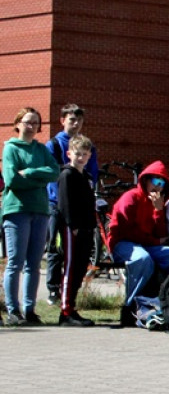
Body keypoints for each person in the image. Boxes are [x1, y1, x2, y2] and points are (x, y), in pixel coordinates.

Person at [108, 160, 169, 326]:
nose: (157, 187)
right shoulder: (131, 198)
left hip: (148, 244)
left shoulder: (159, 202)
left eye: (161, 183)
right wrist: (154, 241)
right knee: (142, 259)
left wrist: (158, 211)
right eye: (154, 181)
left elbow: (161, 234)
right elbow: (126, 230)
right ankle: (131, 307)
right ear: (145, 181)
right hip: (123, 243)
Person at [3, 107, 60, 325]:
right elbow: (11, 179)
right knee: (15, 262)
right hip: (17, 210)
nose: (31, 126)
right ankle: (13, 310)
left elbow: (54, 172)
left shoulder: (41, 149)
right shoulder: (11, 148)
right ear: (17, 124)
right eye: (27, 122)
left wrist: (29, 173)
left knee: (34, 264)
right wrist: (39, 179)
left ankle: (29, 310)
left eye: (35, 123)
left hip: (40, 210)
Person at [44, 104, 99, 306]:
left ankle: (69, 295)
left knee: (78, 256)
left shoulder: (87, 145)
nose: (75, 124)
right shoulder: (54, 144)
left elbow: (93, 173)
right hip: (57, 204)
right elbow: (52, 174)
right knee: (56, 248)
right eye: (71, 120)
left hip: (81, 209)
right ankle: (53, 289)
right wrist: (59, 199)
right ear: (62, 121)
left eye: (79, 120)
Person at [55, 135, 97, 327]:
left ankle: (72, 306)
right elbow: (65, 204)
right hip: (72, 228)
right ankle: (65, 312)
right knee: (71, 268)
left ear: (89, 156)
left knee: (80, 268)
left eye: (84, 154)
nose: (81, 158)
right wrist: (73, 226)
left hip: (87, 228)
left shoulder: (86, 177)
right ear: (69, 153)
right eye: (77, 154)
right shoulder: (67, 175)